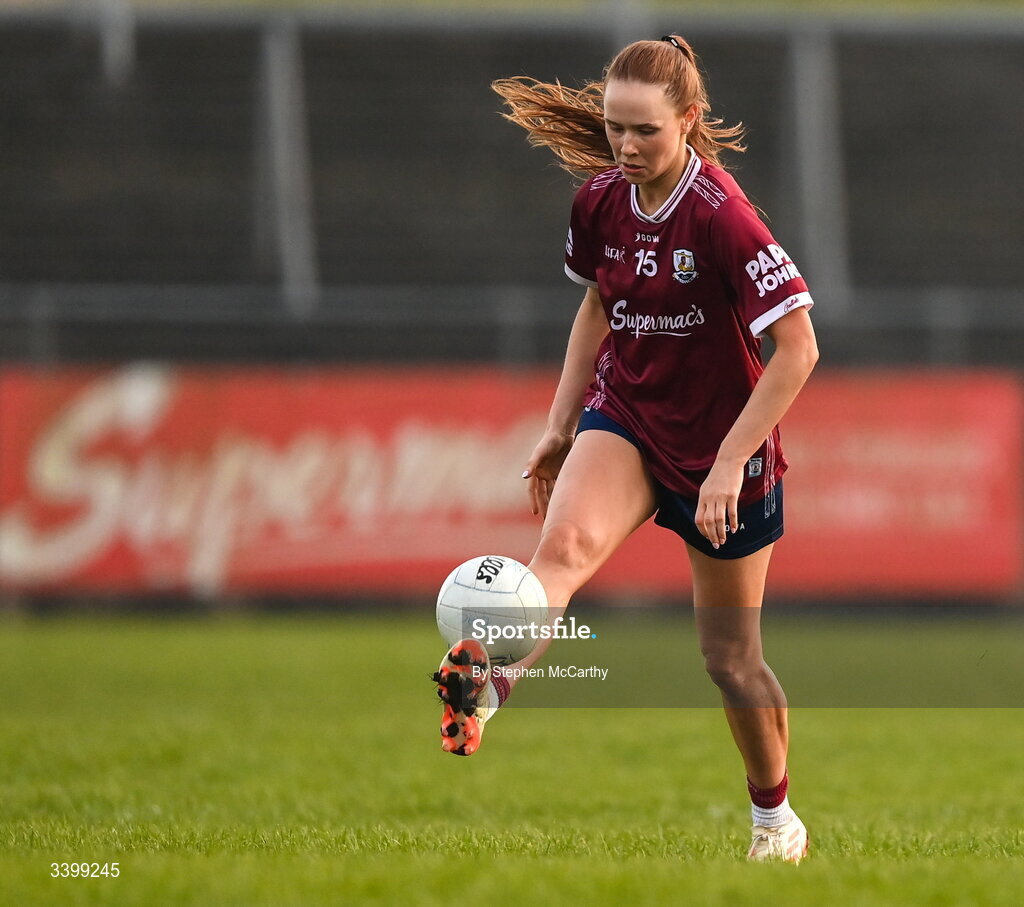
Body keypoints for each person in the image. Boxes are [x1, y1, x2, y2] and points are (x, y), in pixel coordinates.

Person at [433, 35, 818, 863]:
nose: (626, 147)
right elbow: (599, 309)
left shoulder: (723, 217)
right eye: (614, 129)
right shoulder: (600, 203)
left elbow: (799, 349)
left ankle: (774, 818)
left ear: (688, 121)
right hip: (631, 417)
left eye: (645, 131)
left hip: (725, 448)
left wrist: (726, 463)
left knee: (730, 660)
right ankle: (484, 684)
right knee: (561, 550)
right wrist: (560, 422)